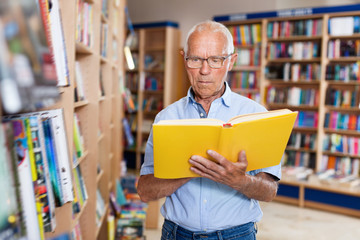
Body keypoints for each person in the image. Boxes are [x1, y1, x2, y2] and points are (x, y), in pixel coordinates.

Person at [137, 20, 280, 240]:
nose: (204, 71)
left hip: (237, 235)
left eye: (215, 60)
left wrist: (238, 180)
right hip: (177, 234)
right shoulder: (166, 118)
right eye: (195, 59)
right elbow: (145, 191)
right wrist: (190, 170)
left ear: (231, 61)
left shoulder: (256, 114)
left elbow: (269, 191)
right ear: (184, 59)